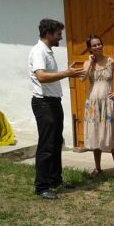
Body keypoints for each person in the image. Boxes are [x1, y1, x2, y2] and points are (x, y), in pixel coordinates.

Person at [28, 18, 85, 200]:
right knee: (46, 145)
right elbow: (42, 77)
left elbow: (48, 75)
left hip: (53, 102)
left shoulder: (48, 51)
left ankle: (55, 180)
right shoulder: (38, 51)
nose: (61, 37)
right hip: (43, 103)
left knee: (55, 141)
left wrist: (66, 72)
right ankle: (41, 186)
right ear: (48, 33)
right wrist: (67, 74)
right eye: (58, 34)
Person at [82, 34, 114, 177]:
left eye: (99, 44)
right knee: (96, 135)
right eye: (94, 45)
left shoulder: (110, 61)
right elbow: (82, 78)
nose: (97, 47)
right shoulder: (87, 63)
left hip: (108, 103)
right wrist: (90, 62)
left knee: (113, 134)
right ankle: (97, 168)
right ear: (89, 48)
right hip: (93, 103)